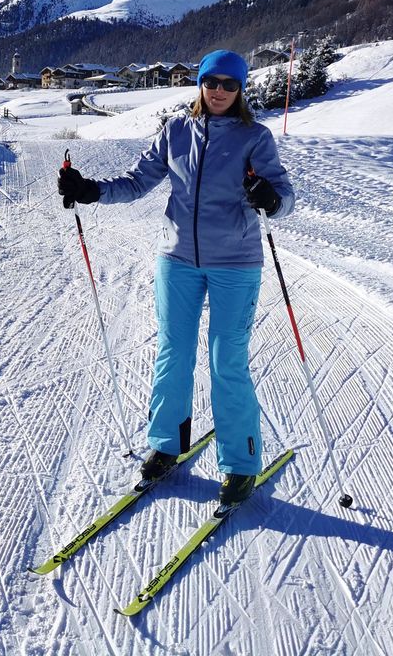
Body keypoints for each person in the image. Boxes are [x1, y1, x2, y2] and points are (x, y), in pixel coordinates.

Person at [56, 49, 294, 505]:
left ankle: (241, 464)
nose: (220, 90)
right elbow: (136, 181)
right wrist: (91, 191)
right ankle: (166, 446)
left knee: (227, 362)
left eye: (230, 83)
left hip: (236, 265)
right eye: (212, 82)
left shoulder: (255, 138)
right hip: (177, 259)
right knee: (173, 352)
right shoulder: (175, 132)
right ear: (200, 85)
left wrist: (270, 198)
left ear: (241, 88)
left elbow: (284, 196)